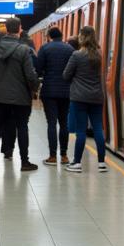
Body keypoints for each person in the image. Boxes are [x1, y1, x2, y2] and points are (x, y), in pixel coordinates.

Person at [0, 17, 39, 172]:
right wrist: (35, 88)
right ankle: (25, 162)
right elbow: (30, 75)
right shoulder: (24, 49)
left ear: (6, 28)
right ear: (19, 29)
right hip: (21, 97)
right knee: (22, 128)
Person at [63, 26, 107, 173]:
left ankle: (77, 163)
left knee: (81, 130)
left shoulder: (76, 55)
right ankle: (101, 163)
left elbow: (66, 75)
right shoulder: (99, 55)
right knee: (98, 129)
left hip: (79, 98)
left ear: (81, 37)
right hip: (97, 96)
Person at [36, 26, 73, 165]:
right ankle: (64, 156)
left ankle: (52, 156)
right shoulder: (70, 49)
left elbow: (38, 69)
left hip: (49, 91)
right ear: (61, 36)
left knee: (51, 123)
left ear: (49, 36)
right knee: (64, 123)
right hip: (66, 91)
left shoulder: (45, 49)